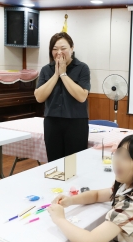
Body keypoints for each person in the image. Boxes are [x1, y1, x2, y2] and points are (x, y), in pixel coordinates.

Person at [47, 134, 133, 242]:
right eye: (117, 154)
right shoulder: (131, 187)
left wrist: (59, 219)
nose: (117, 161)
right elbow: (97, 195)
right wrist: (71, 200)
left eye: (125, 158)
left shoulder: (130, 205)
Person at [35, 32, 91, 162]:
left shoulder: (82, 68)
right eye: (54, 49)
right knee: (55, 163)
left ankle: (74, 184)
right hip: (52, 122)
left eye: (63, 48)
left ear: (72, 48)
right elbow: (39, 97)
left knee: (73, 164)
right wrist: (56, 75)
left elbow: (82, 96)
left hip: (76, 123)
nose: (59, 52)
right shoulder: (46, 70)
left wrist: (64, 74)